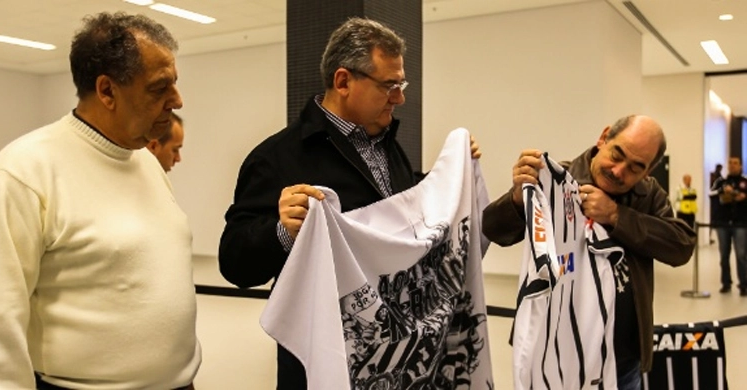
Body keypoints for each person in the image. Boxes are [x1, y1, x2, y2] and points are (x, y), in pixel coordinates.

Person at [218, 17, 480, 389]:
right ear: (343, 81)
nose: (400, 98)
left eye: (400, 84)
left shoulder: (390, 149)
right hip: (328, 364)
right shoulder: (277, 158)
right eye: (389, 86)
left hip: (401, 360)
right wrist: (281, 232)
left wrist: (457, 177)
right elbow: (234, 263)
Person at [0, 12, 200, 389]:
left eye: (174, 84)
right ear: (106, 90)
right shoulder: (21, 173)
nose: (176, 100)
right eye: (158, 88)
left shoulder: (146, 162)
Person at [482, 115, 695, 390]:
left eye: (635, 168)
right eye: (617, 155)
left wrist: (617, 216)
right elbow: (494, 230)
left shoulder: (648, 194)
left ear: (648, 172)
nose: (619, 171)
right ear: (604, 137)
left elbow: (681, 246)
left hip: (623, 361)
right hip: (554, 357)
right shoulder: (557, 180)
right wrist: (516, 198)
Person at [709, 156, 747, 295]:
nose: (732, 165)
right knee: (724, 255)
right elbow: (711, 193)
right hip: (723, 223)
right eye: (730, 163)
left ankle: (743, 284)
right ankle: (726, 283)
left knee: (741, 255)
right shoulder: (721, 182)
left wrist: (742, 196)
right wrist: (722, 192)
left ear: (740, 166)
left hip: (741, 224)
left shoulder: (745, 182)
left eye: (735, 163)